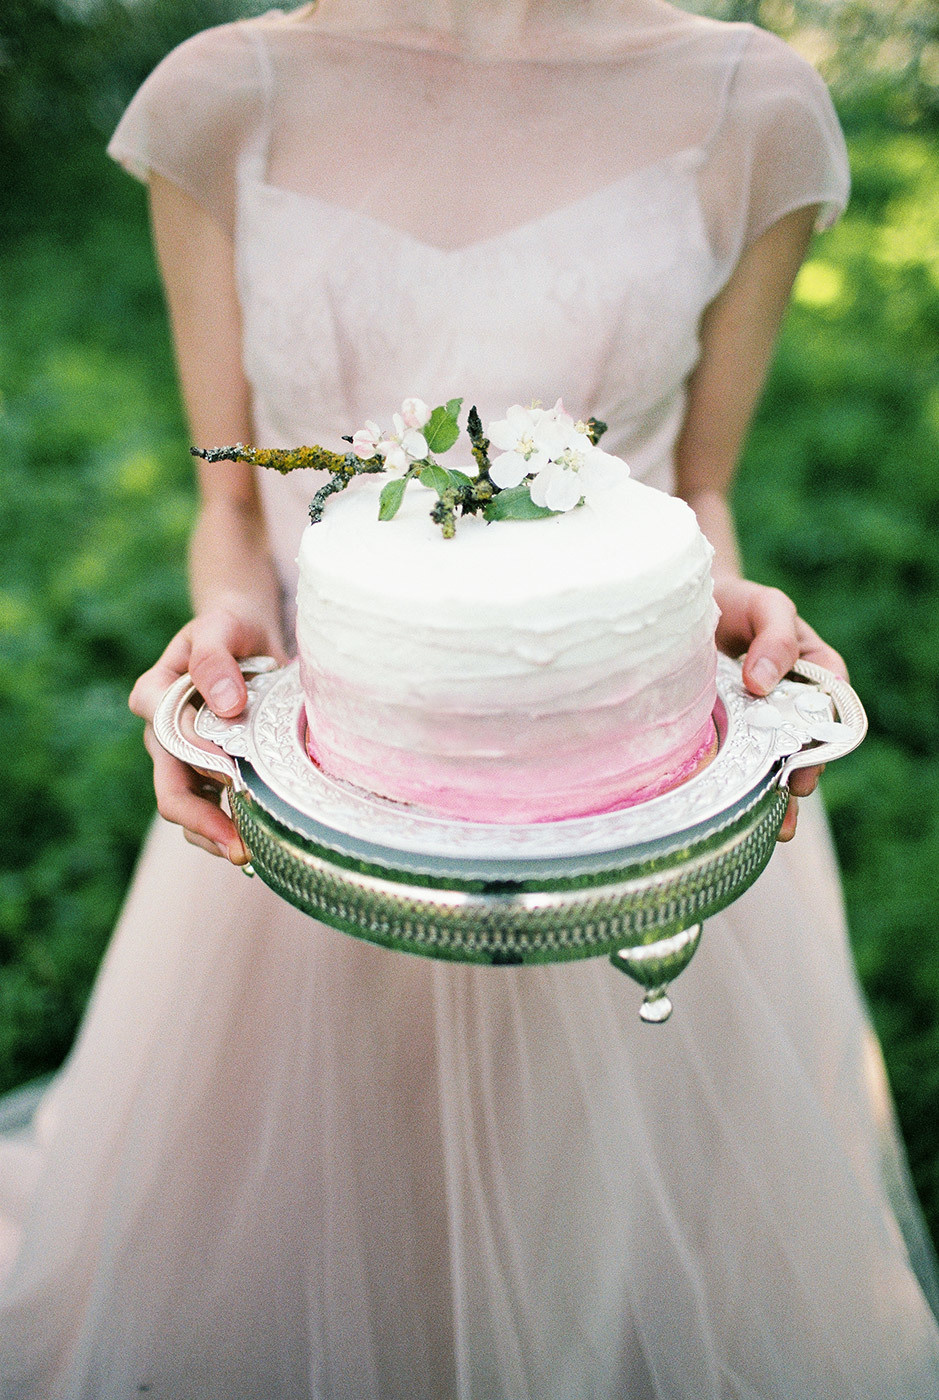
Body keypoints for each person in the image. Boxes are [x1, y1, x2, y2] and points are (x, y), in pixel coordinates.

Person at [0, 1, 937, 1394]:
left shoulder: (754, 105)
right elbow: (233, 504)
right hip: (319, 781)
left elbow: (698, 493)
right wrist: (229, 635)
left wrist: (723, 624)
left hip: (630, 800)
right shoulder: (222, 97)